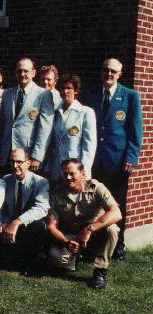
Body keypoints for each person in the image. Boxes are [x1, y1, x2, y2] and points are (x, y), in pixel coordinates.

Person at [84, 58, 143, 260]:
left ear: (120, 74)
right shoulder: (91, 93)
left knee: (118, 204)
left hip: (118, 161)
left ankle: (118, 246)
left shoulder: (130, 96)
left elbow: (136, 130)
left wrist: (132, 157)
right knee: (94, 204)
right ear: (101, 72)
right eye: (105, 70)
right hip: (95, 161)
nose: (109, 74)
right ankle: (95, 244)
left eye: (113, 71)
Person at [47, 159, 122, 289]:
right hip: (71, 235)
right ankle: (79, 255)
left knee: (113, 229)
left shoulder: (96, 187)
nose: (68, 178)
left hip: (94, 232)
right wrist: (65, 242)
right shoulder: (56, 193)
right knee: (57, 259)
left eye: (72, 174)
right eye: (65, 174)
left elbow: (116, 213)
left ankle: (100, 271)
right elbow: (51, 225)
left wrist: (89, 229)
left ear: (83, 174)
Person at [0, 57, 55, 175]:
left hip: (28, 156)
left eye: (26, 71)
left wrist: (37, 156)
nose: (22, 74)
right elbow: (2, 126)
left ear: (33, 73)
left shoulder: (44, 95)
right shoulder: (7, 94)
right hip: (6, 154)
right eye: (19, 71)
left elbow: (45, 129)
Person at [0, 148, 49, 275]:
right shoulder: (6, 179)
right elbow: (1, 206)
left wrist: (17, 222)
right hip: (8, 225)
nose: (15, 166)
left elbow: (42, 208)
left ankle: (30, 264)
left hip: (27, 225)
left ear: (28, 163)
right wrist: (4, 222)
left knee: (39, 226)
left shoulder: (41, 182)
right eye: (12, 162)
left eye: (19, 162)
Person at [45, 74, 96, 181]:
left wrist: (83, 171)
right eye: (63, 88)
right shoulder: (55, 112)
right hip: (57, 170)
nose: (65, 91)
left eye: (69, 88)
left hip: (75, 171)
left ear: (76, 91)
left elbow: (89, 146)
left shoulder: (85, 112)